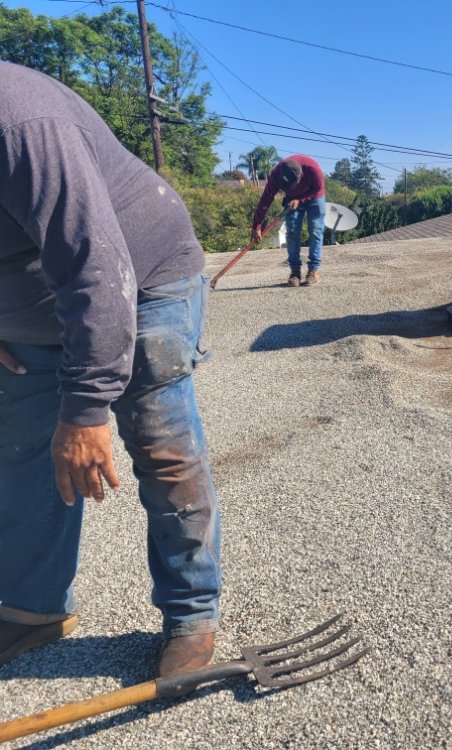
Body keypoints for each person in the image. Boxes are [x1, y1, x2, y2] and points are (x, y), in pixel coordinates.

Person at [0, 61, 221, 677]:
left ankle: (191, 616)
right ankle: (32, 610)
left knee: (162, 446)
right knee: (21, 455)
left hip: (143, 279)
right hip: (38, 311)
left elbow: (97, 269)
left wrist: (87, 408)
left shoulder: (20, 125)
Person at [251, 154, 326, 287]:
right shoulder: (275, 176)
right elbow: (266, 200)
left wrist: (301, 200)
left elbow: (318, 189)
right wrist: (256, 225)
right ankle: (295, 272)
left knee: (315, 229)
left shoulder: (313, 169)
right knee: (291, 232)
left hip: (314, 197)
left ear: (300, 177)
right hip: (291, 200)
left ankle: (313, 271)